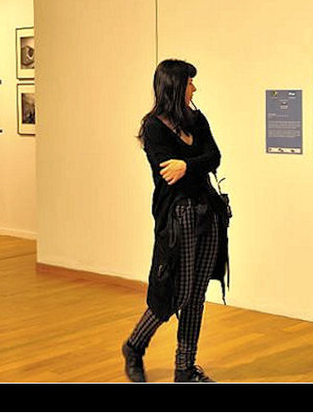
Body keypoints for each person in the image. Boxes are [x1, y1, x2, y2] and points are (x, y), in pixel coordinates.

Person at [122, 59, 229, 383]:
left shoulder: (197, 119)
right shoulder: (153, 127)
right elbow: (168, 173)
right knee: (175, 293)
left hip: (208, 212)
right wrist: (191, 165)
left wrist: (187, 165)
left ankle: (185, 368)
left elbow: (215, 157)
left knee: (197, 295)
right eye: (190, 82)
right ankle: (134, 345)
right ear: (175, 86)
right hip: (177, 216)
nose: (194, 88)